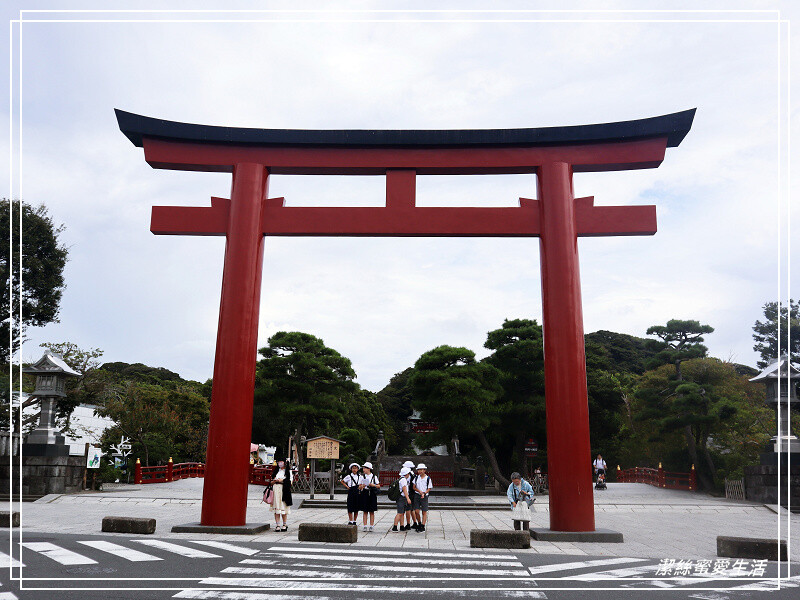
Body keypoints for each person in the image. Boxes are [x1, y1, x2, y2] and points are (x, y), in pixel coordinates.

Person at [271, 458, 293, 532]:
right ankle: (277, 525)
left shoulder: (288, 472)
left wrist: (282, 480)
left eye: (281, 462)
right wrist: (274, 481)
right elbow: (271, 482)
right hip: (276, 490)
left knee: (283, 507)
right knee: (276, 508)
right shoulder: (276, 471)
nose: (280, 463)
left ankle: (284, 524)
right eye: (279, 462)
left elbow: (290, 482)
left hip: (284, 491)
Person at [359, 461, 380, 532]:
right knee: (365, 511)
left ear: (369, 469)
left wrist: (372, 485)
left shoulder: (374, 476)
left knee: (372, 511)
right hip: (365, 493)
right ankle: (365, 525)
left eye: (365, 468)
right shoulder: (362, 477)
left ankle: (371, 525)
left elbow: (378, 486)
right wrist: (363, 486)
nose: (363, 469)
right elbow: (359, 487)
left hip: (372, 493)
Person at [412, 463, 433, 533]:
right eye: (419, 470)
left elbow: (429, 488)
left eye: (421, 470)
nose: (420, 471)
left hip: (425, 496)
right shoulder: (416, 478)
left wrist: (424, 493)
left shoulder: (428, 478)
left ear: (424, 470)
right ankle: (419, 523)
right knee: (416, 511)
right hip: (417, 495)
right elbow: (414, 487)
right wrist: (419, 491)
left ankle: (423, 525)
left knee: (424, 511)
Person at [391, 467, 413, 532]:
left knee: (402, 512)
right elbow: (404, 489)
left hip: (401, 497)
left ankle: (402, 526)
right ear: (407, 474)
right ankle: (395, 526)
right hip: (402, 498)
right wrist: (408, 498)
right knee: (400, 513)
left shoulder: (401, 479)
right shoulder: (403, 480)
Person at [402, 460, 420, 530]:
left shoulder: (408, 476)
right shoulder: (414, 475)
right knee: (412, 509)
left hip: (409, 494)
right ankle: (415, 523)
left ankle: (408, 524)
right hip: (413, 493)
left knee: (408, 509)